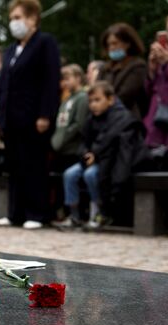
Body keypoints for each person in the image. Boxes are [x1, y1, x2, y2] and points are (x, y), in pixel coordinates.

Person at [0, 0, 61, 229]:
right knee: (14, 166)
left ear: (32, 19)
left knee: (34, 165)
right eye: (12, 18)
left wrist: (45, 114)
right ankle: (15, 213)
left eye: (17, 17)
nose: (14, 23)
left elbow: (50, 82)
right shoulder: (12, 49)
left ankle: (37, 213)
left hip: (33, 118)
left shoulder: (45, 43)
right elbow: (3, 86)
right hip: (11, 119)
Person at [62, 81, 144, 228]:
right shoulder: (91, 119)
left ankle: (99, 213)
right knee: (70, 174)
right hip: (90, 159)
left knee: (91, 175)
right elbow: (84, 141)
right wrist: (86, 153)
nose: (93, 105)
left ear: (110, 99)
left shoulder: (121, 117)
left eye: (97, 100)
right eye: (91, 101)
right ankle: (74, 215)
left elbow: (110, 142)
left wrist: (95, 155)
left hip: (108, 162)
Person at [98, 22, 147, 119]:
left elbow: (125, 97)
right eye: (109, 45)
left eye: (115, 43)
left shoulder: (138, 67)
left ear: (127, 44)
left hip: (126, 121)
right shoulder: (105, 68)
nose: (111, 48)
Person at [143, 13, 168, 150]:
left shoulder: (167, 60)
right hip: (157, 127)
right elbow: (149, 91)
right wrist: (151, 70)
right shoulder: (164, 56)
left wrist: (167, 64)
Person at [51, 64, 89, 172]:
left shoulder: (82, 97)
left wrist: (62, 139)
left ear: (78, 78)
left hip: (73, 150)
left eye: (68, 79)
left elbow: (79, 124)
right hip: (61, 149)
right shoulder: (67, 98)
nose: (65, 82)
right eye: (63, 79)